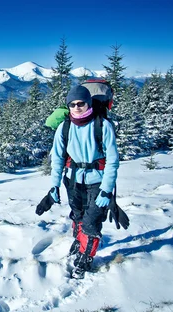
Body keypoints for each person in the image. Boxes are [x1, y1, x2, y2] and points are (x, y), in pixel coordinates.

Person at [40, 85, 120, 279]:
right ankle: (78, 241)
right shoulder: (64, 127)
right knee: (77, 215)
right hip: (73, 180)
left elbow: (113, 160)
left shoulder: (102, 126)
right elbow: (57, 158)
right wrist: (54, 185)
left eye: (81, 103)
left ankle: (85, 259)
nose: (77, 107)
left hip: (97, 182)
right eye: (72, 104)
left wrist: (107, 190)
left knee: (91, 222)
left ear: (89, 103)